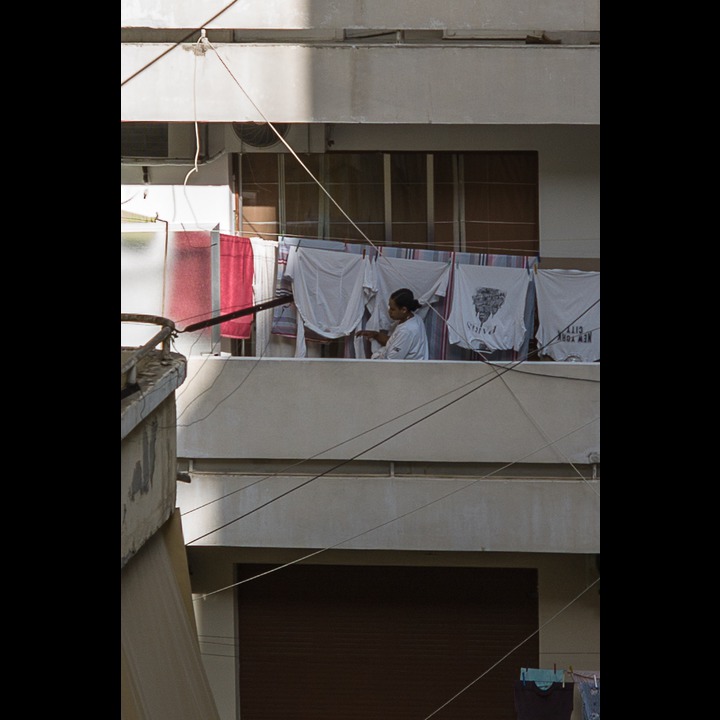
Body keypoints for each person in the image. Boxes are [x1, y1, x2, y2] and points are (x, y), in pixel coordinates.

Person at [356, 288, 429, 360]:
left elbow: (391, 360)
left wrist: (376, 357)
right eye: (389, 307)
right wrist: (376, 335)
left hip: (404, 369)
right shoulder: (414, 318)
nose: (389, 311)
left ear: (404, 310)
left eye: (392, 309)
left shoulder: (407, 330)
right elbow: (395, 343)